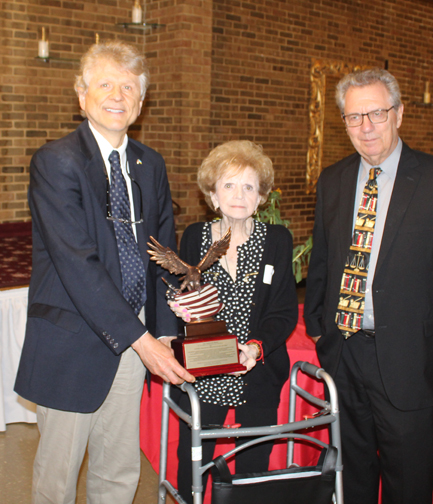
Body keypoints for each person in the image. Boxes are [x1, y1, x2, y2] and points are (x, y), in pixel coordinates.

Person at [14, 40, 195, 504]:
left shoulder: (150, 165)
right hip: (73, 340)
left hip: (135, 339)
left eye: (129, 86)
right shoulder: (56, 162)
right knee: (57, 479)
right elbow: (77, 262)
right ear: (82, 95)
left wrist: (166, 331)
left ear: (140, 101)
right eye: (106, 84)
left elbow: (162, 253)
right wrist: (144, 342)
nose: (118, 95)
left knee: (118, 472)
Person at [304, 68, 433, 504]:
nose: (365, 127)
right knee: (352, 479)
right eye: (353, 117)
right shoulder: (333, 180)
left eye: (376, 114)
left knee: (408, 482)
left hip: (411, 360)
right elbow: (324, 260)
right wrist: (317, 324)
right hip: (345, 355)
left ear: (399, 114)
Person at [170, 140, 298, 503]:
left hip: (256, 369)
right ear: (213, 194)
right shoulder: (195, 236)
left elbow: (284, 310)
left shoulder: (277, 240)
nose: (238, 195)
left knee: (252, 468)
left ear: (261, 197)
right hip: (205, 370)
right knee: (192, 463)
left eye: (248, 186)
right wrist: (181, 306)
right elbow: (183, 295)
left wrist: (255, 349)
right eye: (228, 185)